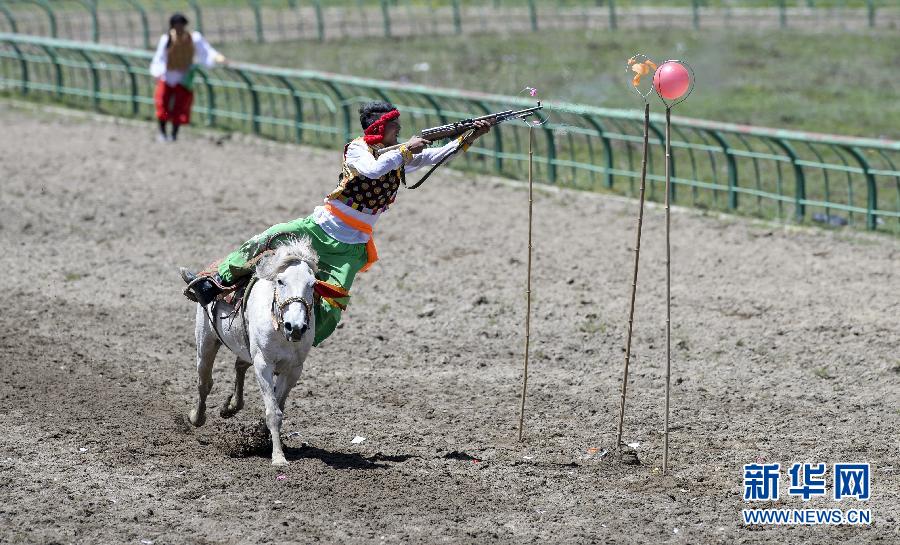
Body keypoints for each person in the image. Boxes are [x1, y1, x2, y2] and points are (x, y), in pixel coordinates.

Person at [181, 101, 491, 346]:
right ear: (380, 128)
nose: (399, 132)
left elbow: (437, 157)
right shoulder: (358, 149)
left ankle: (294, 343)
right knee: (266, 238)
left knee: (332, 308)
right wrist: (406, 149)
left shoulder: (398, 154)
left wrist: (469, 136)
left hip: (352, 245)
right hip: (320, 226)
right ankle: (213, 283)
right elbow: (372, 170)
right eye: (394, 128)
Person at [149, 13, 227, 142]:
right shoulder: (167, 39)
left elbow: (206, 51)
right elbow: (159, 57)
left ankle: (174, 134)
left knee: (179, 108)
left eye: (181, 24)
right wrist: (157, 72)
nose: (179, 27)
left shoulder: (193, 38)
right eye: (176, 25)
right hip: (167, 77)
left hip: (183, 78)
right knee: (163, 106)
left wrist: (218, 58)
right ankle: (163, 132)